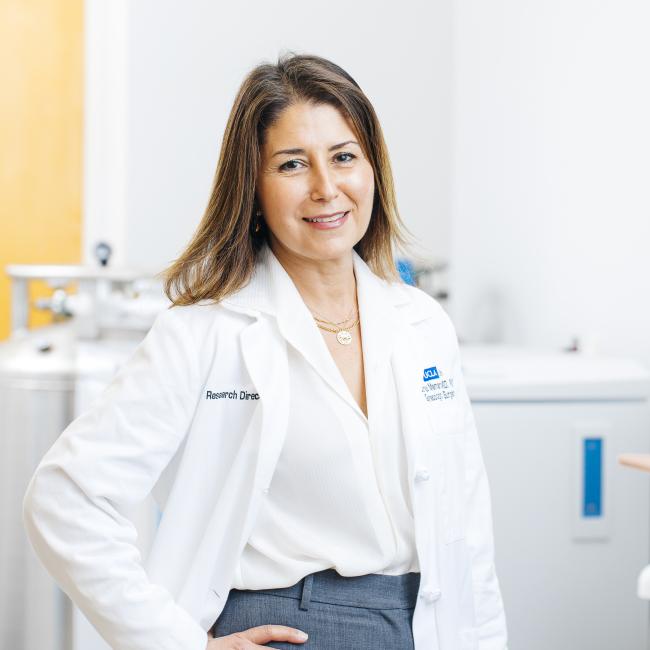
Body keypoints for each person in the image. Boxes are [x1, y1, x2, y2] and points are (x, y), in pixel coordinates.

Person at [22, 52, 508, 650]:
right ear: (252, 187)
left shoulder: (423, 323)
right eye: (292, 164)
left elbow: (468, 528)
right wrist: (181, 644)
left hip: (425, 627)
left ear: (373, 169)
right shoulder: (206, 330)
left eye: (344, 156)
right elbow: (65, 497)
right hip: (288, 629)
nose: (326, 188)